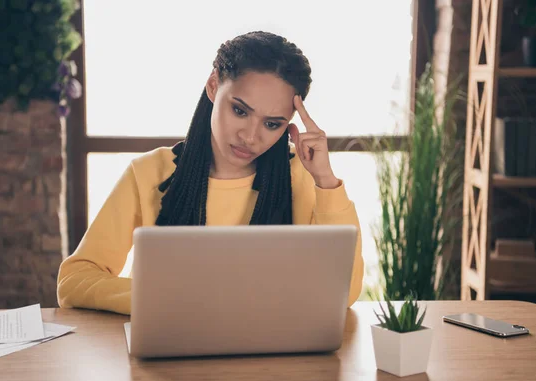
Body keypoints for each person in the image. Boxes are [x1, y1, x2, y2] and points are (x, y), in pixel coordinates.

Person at [57, 31, 364, 315]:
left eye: (272, 124)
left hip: (269, 360)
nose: (250, 136)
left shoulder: (302, 175)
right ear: (214, 86)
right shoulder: (149, 172)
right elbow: (74, 280)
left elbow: (344, 292)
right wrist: (164, 299)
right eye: (240, 111)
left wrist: (326, 181)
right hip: (167, 355)